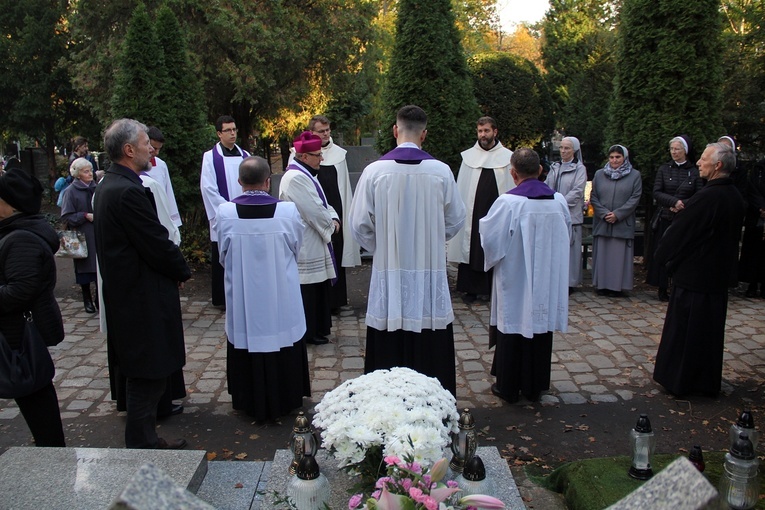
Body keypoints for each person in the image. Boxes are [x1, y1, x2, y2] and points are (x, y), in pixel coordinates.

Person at [349, 105, 466, 396]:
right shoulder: (440, 172)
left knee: (389, 333)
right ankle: (434, 397)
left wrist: (384, 248)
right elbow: (456, 219)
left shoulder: (375, 171)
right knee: (429, 334)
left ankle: (385, 399)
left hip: (389, 269)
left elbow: (359, 223)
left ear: (394, 131)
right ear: (424, 135)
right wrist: (433, 242)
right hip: (429, 270)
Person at [94, 118, 190, 449]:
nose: (152, 148)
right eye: (146, 143)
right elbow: (155, 241)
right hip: (140, 297)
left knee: (146, 374)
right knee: (146, 376)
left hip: (132, 293)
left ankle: (144, 438)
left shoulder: (113, 184)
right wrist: (181, 270)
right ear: (128, 149)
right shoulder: (127, 191)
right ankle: (142, 442)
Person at [217, 156, 310, 421]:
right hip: (281, 294)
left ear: (239, 182)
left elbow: (223, 255)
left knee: (246, 337)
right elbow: (296, 247)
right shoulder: (287, 212)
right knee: (283, 334)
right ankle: (288, 396)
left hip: (245, 298)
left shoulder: (225, 213)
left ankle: (248, 398)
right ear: (268, 182)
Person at [652, 143, 745, 397]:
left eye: (703, 159)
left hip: (695, 277)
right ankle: (704, 381)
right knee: (709, 333)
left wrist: (661, 259)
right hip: (716, 277)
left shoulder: (708, 197)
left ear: (717, 166)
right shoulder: (734, 196)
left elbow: (681, 232)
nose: (699, 163)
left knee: (687, 333)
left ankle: (681, 381)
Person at [479, 148, 571, 403]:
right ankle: (535, 386)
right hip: (547, 279)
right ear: (540, 170)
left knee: (513, 322)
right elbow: (568, 237)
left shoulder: (508, 203)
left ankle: (508, 387)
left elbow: (491, 239)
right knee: (539, 326)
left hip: (515, 278)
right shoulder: (559, 201)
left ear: (513, 173)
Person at [0, 168, 66, 446]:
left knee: (34, 393)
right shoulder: (16, 232)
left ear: (10, 205)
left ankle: (52, 455)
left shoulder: (21, 238)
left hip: (19, 335)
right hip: (18, 333)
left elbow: (20, 290)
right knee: (35, 394)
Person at [279, 131, 339, 346]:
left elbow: (324, 204)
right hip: (307, 242)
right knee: (309, 289)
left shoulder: (306, 174)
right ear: (304, 156)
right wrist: (331, 225)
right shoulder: (296, 178)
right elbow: (314, 210)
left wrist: (333, 216)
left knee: (317, 285)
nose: (321, 158)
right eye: (317, 155)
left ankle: (318, 328)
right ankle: (309, 331)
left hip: (313, 239)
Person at [447, 116, 513, 303]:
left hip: (497, 212)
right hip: (473, 212)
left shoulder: (507, 158)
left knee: (495, 244)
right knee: (472, 246)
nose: (483, 135)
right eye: (480, 131)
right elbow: (462, 187)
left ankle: (495, 289)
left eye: (486, 131)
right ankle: (471, 289)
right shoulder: (468, 158)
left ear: (495, 132)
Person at [200, 115, 250, 307]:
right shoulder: (210, 157)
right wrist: (227, 211)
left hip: (244, 213)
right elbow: (208, 188)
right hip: (224, 214)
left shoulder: (245, 156)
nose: (232, 133)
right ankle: (222, 299)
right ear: (219, 133)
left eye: (234, 129)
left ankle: (242, 294)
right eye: (228, 130)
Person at [646, 135, 702, 301]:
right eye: (672, 149)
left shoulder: (694, 172)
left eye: (677, 149)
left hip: (684, 216)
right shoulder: (664, 169)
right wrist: (672, 202)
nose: (674, 152)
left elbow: (699, 194)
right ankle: (662, 287)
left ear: (685, 150)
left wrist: (681, 204)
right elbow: (657, 191)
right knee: (663, 250)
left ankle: (678, 285)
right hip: (665, 214)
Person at [590, 145, 642, 297]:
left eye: (618, 157)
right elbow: (594, 196)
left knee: (618, 256)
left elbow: (635, 198)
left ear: (624, 158)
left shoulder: (634, 175)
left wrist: (618, 214)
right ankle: (602, 285)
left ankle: (617, 286)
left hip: (622, 223)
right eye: (612, 157)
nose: (614, 160)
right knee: (603, 255)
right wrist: (604, 213)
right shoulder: (599, 175)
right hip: (602, 221)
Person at [545, 136, 587, 292]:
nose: (563, 151)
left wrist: (559, 203)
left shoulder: (579, 169)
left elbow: (577, 191)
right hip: (554, 213)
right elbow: (547, 186)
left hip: (570, 214)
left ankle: (570, 283)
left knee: (571, 251)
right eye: (561, 147)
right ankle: (555, 279)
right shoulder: (555, 167)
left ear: (574, 150)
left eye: (567, 148)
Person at [60, 157, 98, 313]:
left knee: (98, 267)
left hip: (97, 233)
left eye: (90, 170)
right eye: (86, 171)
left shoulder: (97, 187)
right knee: (84, 268)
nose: (90, 174)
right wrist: (84, 215)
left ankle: (98, 299)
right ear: (77, 174)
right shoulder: (71, 191)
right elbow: (66, 216)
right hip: (82, 235)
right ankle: (87, 298)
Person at [145, 126, 182, 228]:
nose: (156, 153)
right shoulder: (135, 165)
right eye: (154, 148)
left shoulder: (161, 165)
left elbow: (168, 193)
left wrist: (174, 224)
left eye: (159, 149)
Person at [738, 158, 765, 297]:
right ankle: (752, 284)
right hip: (757, 216)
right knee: (755, 252)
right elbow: (752, 189)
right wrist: (761, 207)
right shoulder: (758, 168)